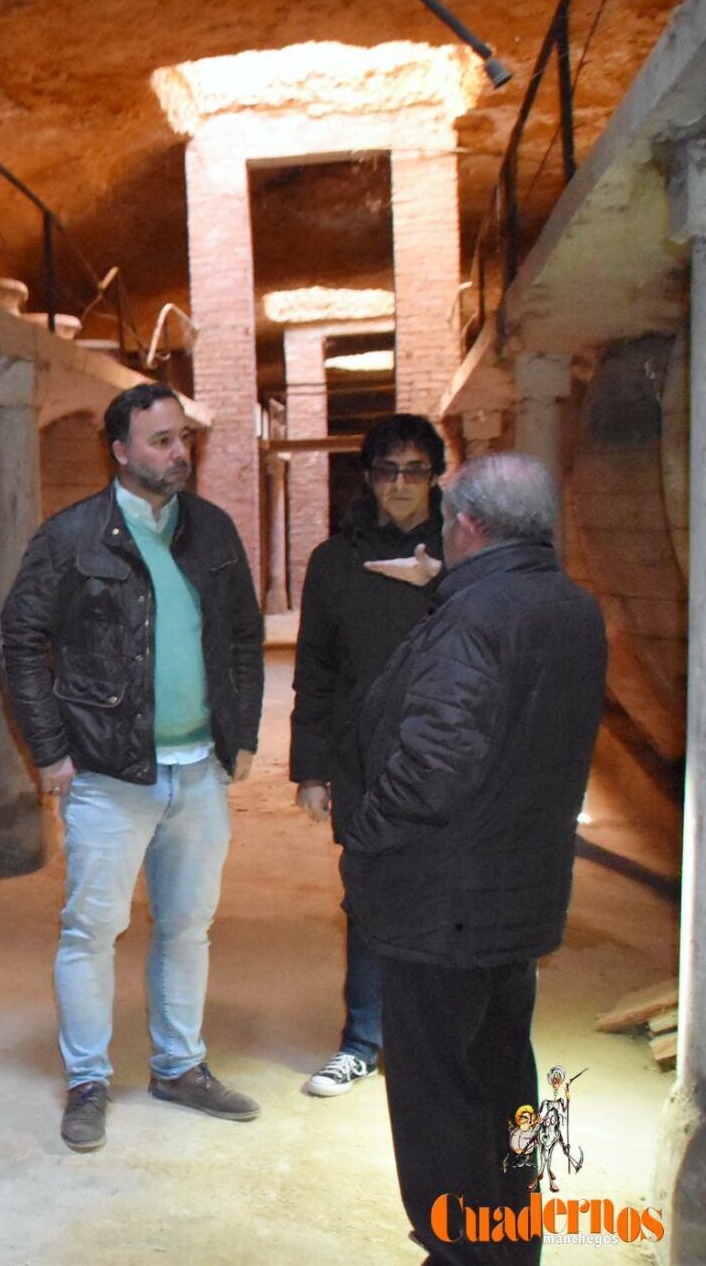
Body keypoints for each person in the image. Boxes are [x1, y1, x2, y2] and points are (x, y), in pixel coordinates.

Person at [342, 454, 605, 1265]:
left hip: (442, 908)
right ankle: (506, 1244)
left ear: (471, 527)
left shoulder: (475, 622)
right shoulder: (570, 607)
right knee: (499, 1082)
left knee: (437, 1097)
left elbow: (432, 765)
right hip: (515, 900)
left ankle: (459, 1251)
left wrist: (365, 833)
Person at [0, 382, 265, 1154]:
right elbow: (20, 640)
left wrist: (239, 732)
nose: (178, 453)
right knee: (92, 929)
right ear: (120, 451)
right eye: (160, 441)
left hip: (198, 770)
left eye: (182, 438)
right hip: (111, 775)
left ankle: (180, 1066)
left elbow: (244, 636)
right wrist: (50, 750)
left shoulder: (211, 531)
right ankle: (88, 1080)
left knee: (188, 926)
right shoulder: (72, 536)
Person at [290, 414, 448, 1098]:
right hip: (366, 758)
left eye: (415, 470)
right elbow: (315, 668)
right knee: (370, 899)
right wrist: (311, 768)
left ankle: (436, 1043)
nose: (401, 486)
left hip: (448, 757)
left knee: (448, 895)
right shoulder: (335, 561)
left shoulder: (466, 553)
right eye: (388, 471)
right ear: (369, 478)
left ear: (436, 477)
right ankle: (363, 1041)